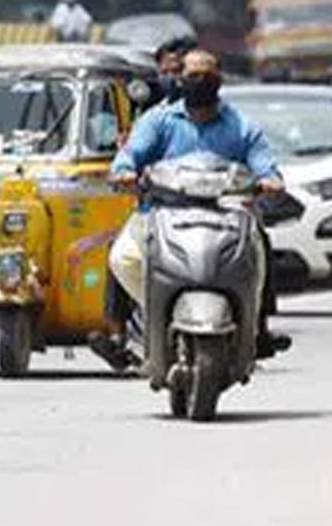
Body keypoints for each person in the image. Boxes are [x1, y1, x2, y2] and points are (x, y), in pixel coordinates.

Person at [106, 50, 285, 344]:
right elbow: (131, 154)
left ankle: (256, 327)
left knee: (260, 249)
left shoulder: (242, 126)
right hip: (162, 212)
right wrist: (124, 171)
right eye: (192, 75)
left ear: (219, 81)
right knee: (122, 257)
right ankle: (146, 317)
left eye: (207, 76)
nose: (199, 81)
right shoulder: (159, 121)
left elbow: (264, 163)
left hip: (227, 214)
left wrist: (270, 179)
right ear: (180, 80)